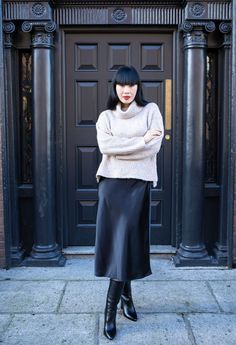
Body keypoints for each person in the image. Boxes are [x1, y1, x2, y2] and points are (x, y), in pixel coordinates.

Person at [94, 65, 164, 340]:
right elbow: (105, 148)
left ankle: (125, 301)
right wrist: (140, 140)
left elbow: (154, 147)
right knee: (118, 245)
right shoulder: (106, 117)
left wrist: (125, 145)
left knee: (128, 243)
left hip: (139, 185)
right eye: (122, 86)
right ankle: (113, 310)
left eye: (132, 85)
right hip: (111, 185)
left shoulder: (152, 111)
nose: (127, 90)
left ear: (138, 87)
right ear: (115, 88)